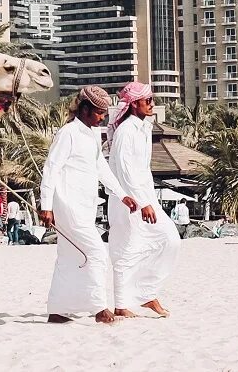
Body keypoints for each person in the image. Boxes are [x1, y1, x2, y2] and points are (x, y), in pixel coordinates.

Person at [39, 85, 139, 325]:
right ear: (84, 109)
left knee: (67, 256)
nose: (102, 117)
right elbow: (51, 168)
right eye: (98, 113)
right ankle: (100, 308)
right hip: (67, 205)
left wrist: (122, 194)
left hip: (85, 205)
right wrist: (46, 205)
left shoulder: (92, 135)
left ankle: (57, 310)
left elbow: (100, 167)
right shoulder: (68, 133)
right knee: (96, 252)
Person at [107, 82, 181, 319]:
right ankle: (121, 304)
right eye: (147, 100)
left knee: (170, 240)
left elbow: (141, 170)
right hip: (128, 201)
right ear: (133, 104)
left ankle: (147, 293)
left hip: (146, 197)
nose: (152, 104)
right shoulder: (126, 131)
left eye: (151, 99)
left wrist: (148, 199)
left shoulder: (143, 128)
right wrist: (142, 202)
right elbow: (125, 171)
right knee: (126, 249)